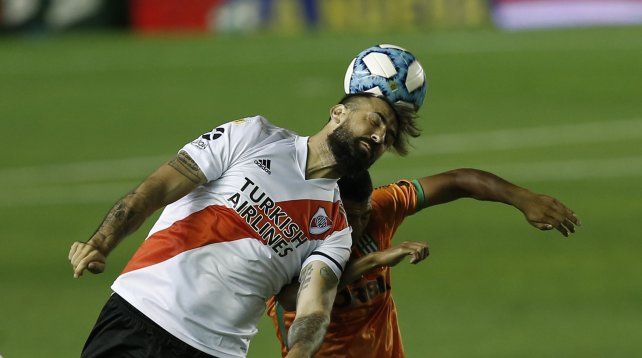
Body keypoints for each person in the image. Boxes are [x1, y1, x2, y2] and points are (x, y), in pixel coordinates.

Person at [67, 92, 420, 358]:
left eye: (387, 137)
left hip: (216, 351)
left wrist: (298, 353)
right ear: (338, 112)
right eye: (375, 121)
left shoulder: (336, 231)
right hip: (142, 309)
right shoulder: (254, 136)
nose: (378, 138)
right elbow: (158, 187)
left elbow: (314, 307)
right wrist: (102, 241)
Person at [267, 169, 580, 357]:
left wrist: (522, 198)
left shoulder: (381, 209)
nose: (359, 225)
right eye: (349, 216)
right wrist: (375, 260)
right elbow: (292, 296)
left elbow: (458, 181)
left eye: (364, 214)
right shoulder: (291, 236)